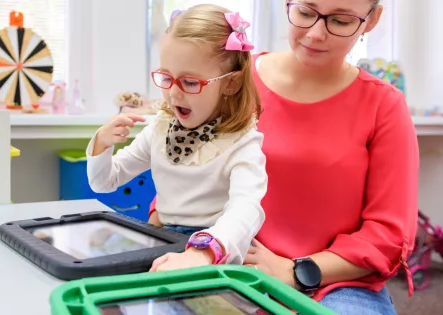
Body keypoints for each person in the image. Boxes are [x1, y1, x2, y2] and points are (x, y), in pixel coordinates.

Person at [148, 0, 419, 314]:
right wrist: (164, 222)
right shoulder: (234, 81)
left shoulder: (383, 105)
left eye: (340, 21)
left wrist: (295, 271)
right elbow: (185, 159)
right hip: (220, 260)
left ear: (371, 21)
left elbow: (389, 234)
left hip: (334, 282)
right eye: (305, 12)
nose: (316, 34)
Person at [86, 5, 268, 272]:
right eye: (166, 77)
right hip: (165, 241)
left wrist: (204, 252)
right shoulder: (160, 130)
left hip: (218, 249)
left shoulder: (242, 143)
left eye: (190, 83)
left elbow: (246, 211)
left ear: (231, 83)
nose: (173, 94)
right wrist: (102, 143)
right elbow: (105, 182)